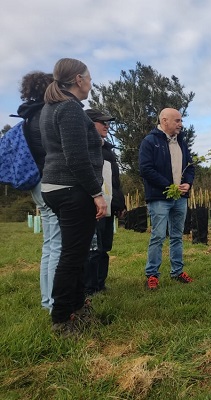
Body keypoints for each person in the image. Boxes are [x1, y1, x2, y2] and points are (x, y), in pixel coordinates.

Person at [39, 58, 107, 337]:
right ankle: (61, 319)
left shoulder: (52, 107)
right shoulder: (69, 109)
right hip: (71, 188)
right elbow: (76, 159)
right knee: (72, 255)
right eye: (89, 78)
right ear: (79, 79)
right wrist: (97, 193)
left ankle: (77, 308)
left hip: (55, 187)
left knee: (76, 252)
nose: (91, 83)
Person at [16, 71, 60, 312]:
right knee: (57, 244)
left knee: (49, 243)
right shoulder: (46, 115)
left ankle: (47, 300)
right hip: (49, 181)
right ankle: (54, 302)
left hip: (36, 182)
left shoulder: (29, 116)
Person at [139, 108, 195, 290]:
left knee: (177, 236)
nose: (180, 124)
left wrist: (188, 183)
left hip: (180, 198)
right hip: (159, 198)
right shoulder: (150, 141)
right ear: (164, 121)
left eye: (181, 121)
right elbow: (146, 169)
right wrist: (168, 186)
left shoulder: (181, 143)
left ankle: (177, 271)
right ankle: (152, 274)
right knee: (158, 235)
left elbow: (190, 167)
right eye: (177, 120)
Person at [83, 109, 126, 296]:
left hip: (108, 206)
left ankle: (100, 284)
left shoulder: (107, 150)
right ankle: (89, 288)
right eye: (102, 122)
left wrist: (119, 204)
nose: (107, 126)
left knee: (105, 247)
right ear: (90, 123)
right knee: (93, 248)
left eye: (108, 122)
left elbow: (113, 181)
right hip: (92, 207)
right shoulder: (83, 147)